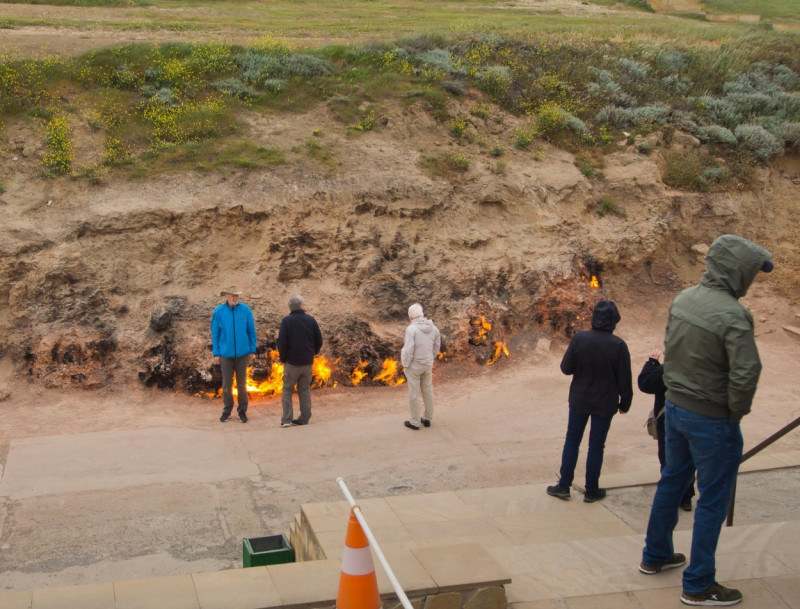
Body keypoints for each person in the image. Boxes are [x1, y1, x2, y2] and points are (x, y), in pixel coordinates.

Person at [639, 234, 773, 607]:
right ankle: (698, 583)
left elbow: (670, 350)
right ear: (737, 272)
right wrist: (734, 412)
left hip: (676, 411)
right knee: (712, 500)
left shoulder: (684, 299)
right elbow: (746, 373)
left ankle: (655, 555)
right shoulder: (733, 315)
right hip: (711, 418)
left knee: (671, 481)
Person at [547, 300, 632, 503]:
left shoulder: (580, 339)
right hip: (605, 402)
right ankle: (591, 489)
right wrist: (625, 403)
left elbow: (566, 368)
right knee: (596, 445)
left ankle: (564, 485)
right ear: (614, 321)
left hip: (580, 398)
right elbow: (624, 380)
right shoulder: (619, 345)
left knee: (572, 440)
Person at [638, 348, 695, 511]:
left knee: (668, 458)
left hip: (669, 419)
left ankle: (672, 496)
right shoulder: (701, 366)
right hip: (694, 417)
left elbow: (645, 383)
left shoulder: (670, 368)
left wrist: (652, 363)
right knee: (689, 458)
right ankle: (686, 496)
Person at [211, 287, 257, 423]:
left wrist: (252, 350)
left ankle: (242, 411)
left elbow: (251, 331)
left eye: (237, 295)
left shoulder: (245, 310)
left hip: (243, 354)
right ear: (227, 296)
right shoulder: (219, 311)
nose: (235, 298)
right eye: (233, 295)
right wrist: (216, 353)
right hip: (226, 354)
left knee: (242, 384)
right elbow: (215, 334)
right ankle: (227, 410)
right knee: (226, 385)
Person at [277, 294, 323, 427]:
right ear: (302, 306)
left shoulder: (287, 321)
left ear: (290, 307)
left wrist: (283, 358)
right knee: (304, 390)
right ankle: (305, 417)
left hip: (292, 363)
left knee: (287, 390)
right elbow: (319, 340)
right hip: (307, 362)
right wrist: (313, 353)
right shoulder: (311, 320)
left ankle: (286, 420)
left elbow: (282, 342)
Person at [400, 303, 441, 430]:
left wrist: (405, 364)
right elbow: (436, 348)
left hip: (414, 366)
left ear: (411, 317)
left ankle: (415, 421)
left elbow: (408, 350)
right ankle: (427, 418)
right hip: (427, 365)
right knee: (428, 391)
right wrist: (430, 359)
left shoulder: (411, 329)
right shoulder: (434, 328)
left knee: (414, 394)